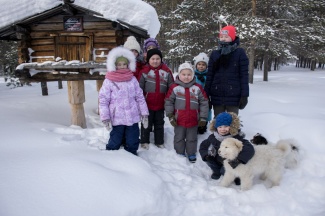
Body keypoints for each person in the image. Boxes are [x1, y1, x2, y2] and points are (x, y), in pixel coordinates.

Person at [99, 46, 149, 155]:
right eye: (119, 64)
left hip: (133, 116)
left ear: (128, 64)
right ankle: (110, 157)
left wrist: (144, 114)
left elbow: (140, 97)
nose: (122, 66)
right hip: (117, 118)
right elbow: (103, 100)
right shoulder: (109, 81)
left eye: (124, 64)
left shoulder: (132, 79)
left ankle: (132, 157)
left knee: (133, 140)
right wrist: (105, 117)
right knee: (115, 140)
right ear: (114, 65)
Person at [165, 62, 209, 163]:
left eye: (189, 74)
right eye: (183, 74)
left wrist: (203, 117)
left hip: (193, 120)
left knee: (192, 138)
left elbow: (204, 102)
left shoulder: (197, 88)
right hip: (179, 119)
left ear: (193, 75)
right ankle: (179, 152)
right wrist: (170, 116)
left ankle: (191, 153)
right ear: (179, 75)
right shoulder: (174, 87)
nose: (186, 77)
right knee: (179, 137)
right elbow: (168, 102)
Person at [204, 25, 249, 118]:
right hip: (217, 95)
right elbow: (209, 76)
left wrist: (244, 95)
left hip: (234, 95)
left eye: (226, 37)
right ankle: (217, 133)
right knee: (219, 122)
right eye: (221, 37)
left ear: (232, 38)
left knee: (232, 122)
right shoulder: (215, 54)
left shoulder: (239, 53)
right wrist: (206, 95)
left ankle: (234, 133)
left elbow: (244, 76)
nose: (223, 39)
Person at [199, 112, 255, 184]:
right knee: (209, 160)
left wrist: (239, 160)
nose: (223, 129)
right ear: (216, 127)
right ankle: (216, 172)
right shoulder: (213, 137)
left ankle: (235, 176)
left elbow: (249, 149)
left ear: (231, 127)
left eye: (226, 126)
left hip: (230, 162)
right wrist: (206, 155)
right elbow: (203, 146)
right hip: (217, 160)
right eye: (220, 127)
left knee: (224, 171)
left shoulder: (236, 138)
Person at [138, 48, 174, 149]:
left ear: (161, 59)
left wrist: (168, 100)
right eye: (152, 59)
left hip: (160, 104)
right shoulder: (144, 72)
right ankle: (144, 141)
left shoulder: (166, 71)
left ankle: (159, 141)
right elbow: (139, 89)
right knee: (146, 123)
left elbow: (171, 87)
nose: (155, 61)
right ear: (148, 60)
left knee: (159, 123)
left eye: (157, 58)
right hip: (147, 104)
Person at [193, 52, 212, 134]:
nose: (201, 66)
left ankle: (203, 126)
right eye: (199, 64)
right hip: (195, 98)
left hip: (205, 98)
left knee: (205, 112)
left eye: (203, 65)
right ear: (196, 65)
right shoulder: (193, 75)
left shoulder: (209, 76)